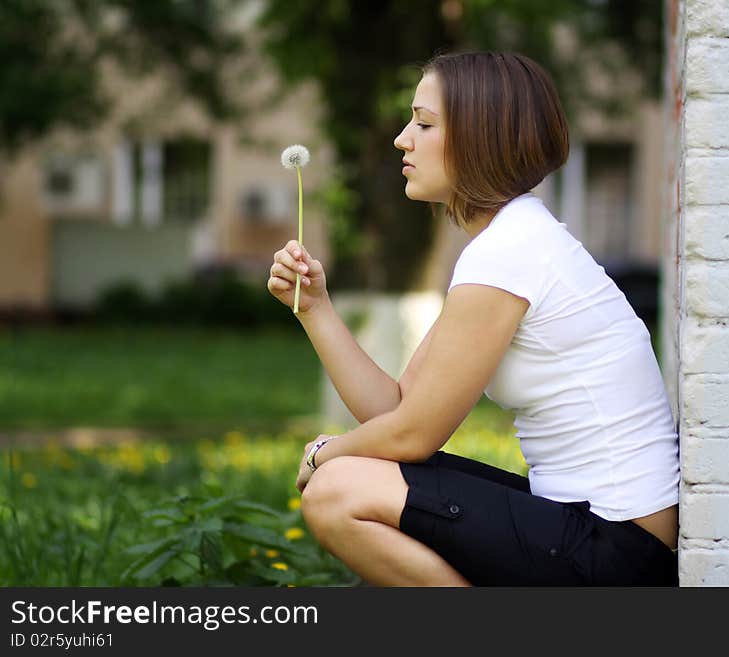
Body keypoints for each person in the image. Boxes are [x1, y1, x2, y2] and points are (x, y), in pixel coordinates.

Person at [267, 51, 680, 586]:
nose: (402, 138)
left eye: (424, 122)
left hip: (617, 549)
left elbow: (413, 435)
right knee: (350, 477)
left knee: (337, 490)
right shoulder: (509, 243)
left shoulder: (510, 251)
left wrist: (326, 452)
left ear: (479, 137)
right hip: (591, 529)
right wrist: (315, 309)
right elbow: (394, 410)